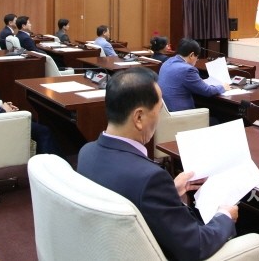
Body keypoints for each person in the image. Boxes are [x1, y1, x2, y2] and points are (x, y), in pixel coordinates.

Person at [77, 68, 237, 261]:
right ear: (139, 118)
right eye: (159, 110)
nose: (159, 118)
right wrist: (225, 216)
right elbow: (195, 247)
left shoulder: (86, 153)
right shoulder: (150, 178)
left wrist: (169, 192)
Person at [158, 38, 229, 112]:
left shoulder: (167, 62)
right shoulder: (188, 69)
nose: (196, 60)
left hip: (166, 111)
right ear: (191, 55)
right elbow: (207, 91)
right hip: (181, 114)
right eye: (197, 57)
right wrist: (222, 87)